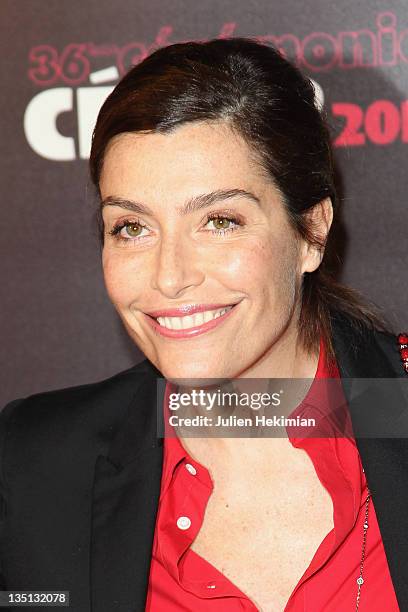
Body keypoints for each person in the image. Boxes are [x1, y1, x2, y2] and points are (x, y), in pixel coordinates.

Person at [1, 37, 407, 612]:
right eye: (131, 228)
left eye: (219, 220)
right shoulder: (36, 464)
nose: (170, 277)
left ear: (311, 232)